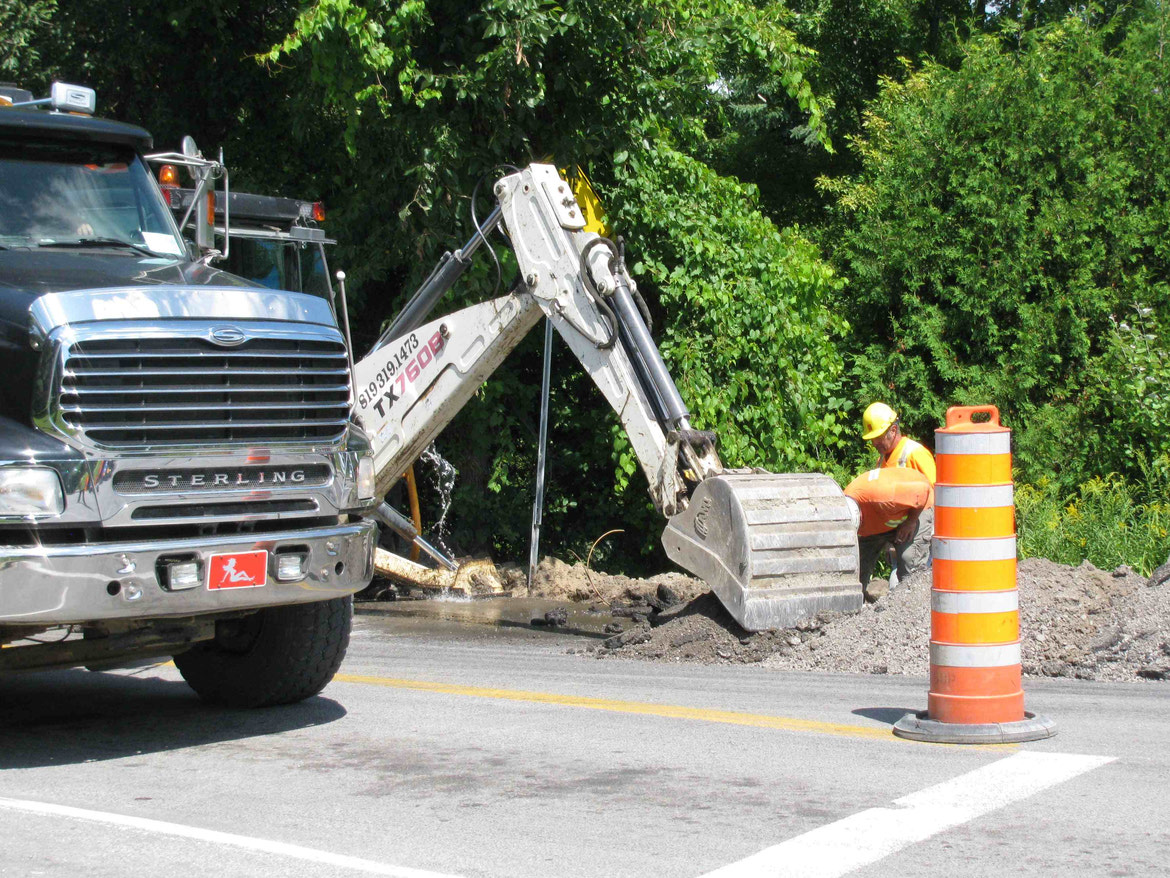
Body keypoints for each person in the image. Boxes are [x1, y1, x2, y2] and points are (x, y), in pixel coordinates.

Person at [844, 466, 934, 601]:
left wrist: (911, 521)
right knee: (858, 562)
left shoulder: (882, 496)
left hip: (916, 507)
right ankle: (854, 603)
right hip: (883, 515)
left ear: (861, 517)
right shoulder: (844, 506)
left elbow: (922, 491)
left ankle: (909, 604)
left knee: (909, 560)